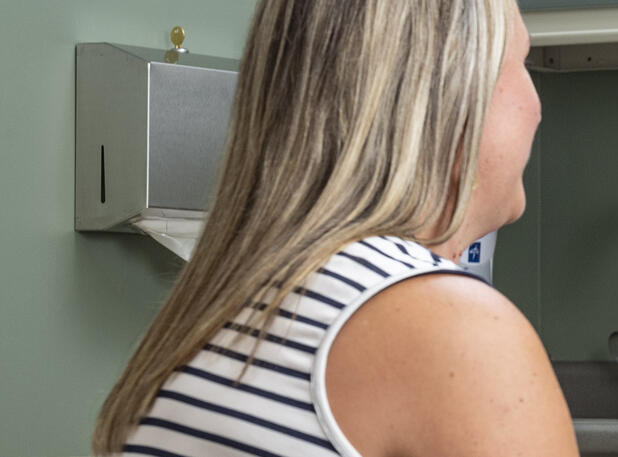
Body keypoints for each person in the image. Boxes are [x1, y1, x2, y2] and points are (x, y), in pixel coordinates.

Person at [91, 0, 578, 456]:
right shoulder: (453, 328)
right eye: (522, 61)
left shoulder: (210, 320)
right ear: (453, 96)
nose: (536, 105)